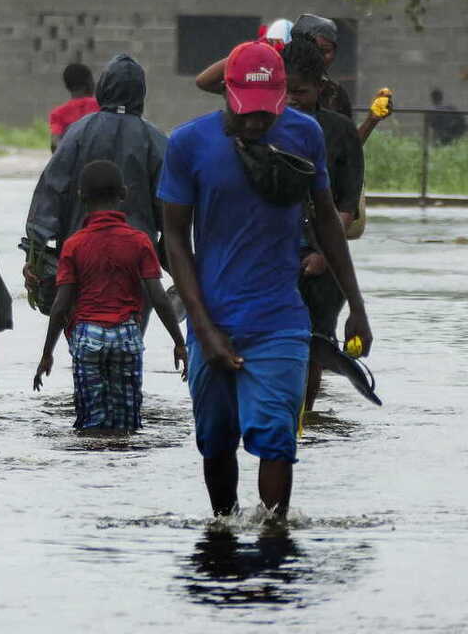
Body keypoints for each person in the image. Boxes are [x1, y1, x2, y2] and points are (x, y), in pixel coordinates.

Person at [159, 41, 373, 520]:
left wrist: (356, 303)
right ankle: (223, 530)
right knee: (215, 441)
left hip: (279, 319)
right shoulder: (188, 144)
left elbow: (326, 222)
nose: (257, 122)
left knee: (277, 439)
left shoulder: (304, 135)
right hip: (212, 316)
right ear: (226, 94)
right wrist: (205, 328)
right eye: (246, 113)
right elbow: (174, 239)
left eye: (267, 112)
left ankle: (275, 540)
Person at [32, 160, 187, 431]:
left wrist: (47, 353)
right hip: (127, 335)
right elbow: (159, 298)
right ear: (124, 194)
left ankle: (95, 467)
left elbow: (61, 304)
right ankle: (122, 468)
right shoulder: (139, 241)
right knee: (128, 423)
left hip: (87, 336)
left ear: (81, 196)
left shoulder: (74, 245)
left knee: (90, 423)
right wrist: (179, 342)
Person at [25, 54, 167, 315]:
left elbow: (50, 189)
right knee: (132, 338)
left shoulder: (77, 133)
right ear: (141, 93)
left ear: (103, 87)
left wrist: (34, 252)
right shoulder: (155, 139)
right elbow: (170, 206)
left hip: (81, 253)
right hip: (136, 260)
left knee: (81, 334)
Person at [282, 34, 365, 412]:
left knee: (315, 344)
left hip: (322, 258)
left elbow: (346, 203)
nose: (292, 99)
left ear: (320, 88)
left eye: (300, 91)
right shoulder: (264, 125)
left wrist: (323, 254)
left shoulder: (340, 131)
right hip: (274, 256)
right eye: (284, 90)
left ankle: (304, 416)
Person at [195, 14, 393, 144]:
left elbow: (347, 148)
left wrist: (371, 121)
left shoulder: (333, 94)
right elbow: (205, 81)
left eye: (326, 51)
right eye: (285, 92)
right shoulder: (265, 82)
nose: (290, 99)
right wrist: (254, 50)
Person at [48, 63, 101, 152]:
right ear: (89, 83)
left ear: (67, 86)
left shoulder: (58, 114)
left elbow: (54, 143)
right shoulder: (102, 106)